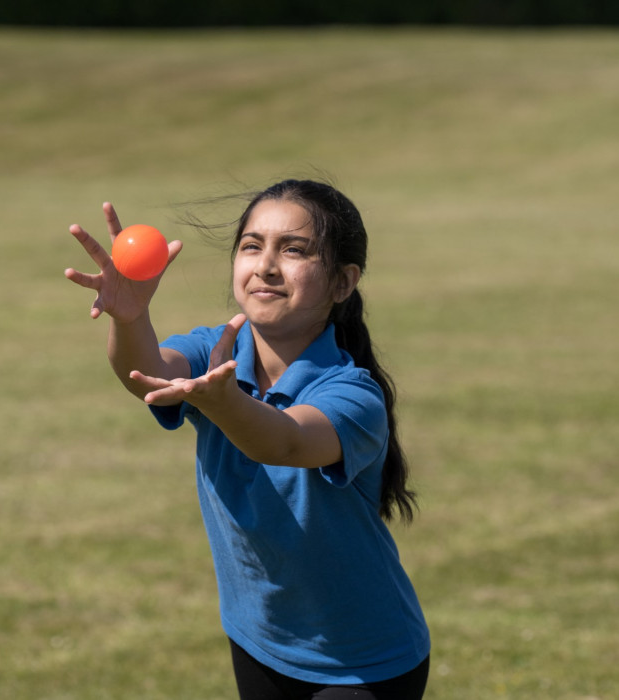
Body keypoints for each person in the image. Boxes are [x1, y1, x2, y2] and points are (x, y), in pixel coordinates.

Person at [65, 179, 430, 700]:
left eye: (295, 249)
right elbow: (145, 373)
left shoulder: (353, 395)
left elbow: (283, 444)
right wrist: (131, 318)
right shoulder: (214, 350)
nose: (266, 265)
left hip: (362, 661)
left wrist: (224, 402)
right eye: (252, 245)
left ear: (343, 282)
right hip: (261, 641)